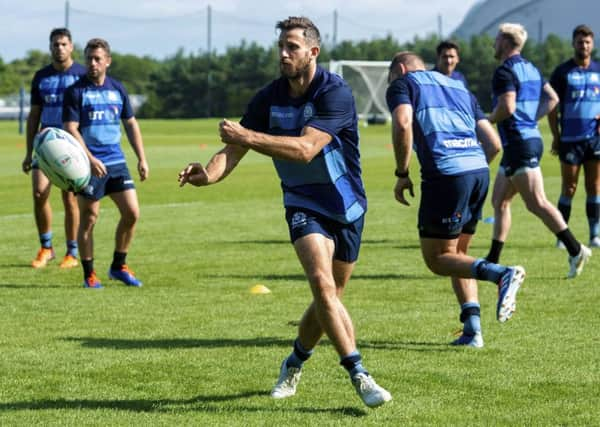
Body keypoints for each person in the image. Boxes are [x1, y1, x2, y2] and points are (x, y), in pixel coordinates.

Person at [178, 16, 391, 408]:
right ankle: (359, 374)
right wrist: (207, 174)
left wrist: (247, 136)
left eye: (292, 46)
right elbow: (233, 150)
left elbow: (305, 149)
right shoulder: (268, 97)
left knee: (331, 297)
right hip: (302, 202)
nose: (283, 53)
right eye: (281, 46)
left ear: (313, 51)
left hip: (346, 206)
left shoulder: (335, 93)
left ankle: (294, 361)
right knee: (322, 286)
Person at [386, 51, 525, 348]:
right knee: (459, 255)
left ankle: (502, 274)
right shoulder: (458, 87)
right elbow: (493, 143)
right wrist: (470, 169)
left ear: (400, 69)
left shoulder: (404, 83)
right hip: (477, 171)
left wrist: (402, 172)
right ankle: (473, 331)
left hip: (446, 175)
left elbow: (402, 122)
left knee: (437, 260)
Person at [484, 23, 591, 278]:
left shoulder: (504, 71)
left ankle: (576, 249)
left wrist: (487, 121)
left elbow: (507, 107)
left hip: (520, 143)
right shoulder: (530, 68)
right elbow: (552, 99)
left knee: (537, 203)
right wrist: (531, 117)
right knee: (500, 200)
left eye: (497, 39)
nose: (493, 44)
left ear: (507, 42)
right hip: (520, 143)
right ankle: (492, 259)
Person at [62, 38, 149, 289]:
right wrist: (90, 159)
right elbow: (71, 129)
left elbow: (131, 124)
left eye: (97, 58)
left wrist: (141, 158)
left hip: (117, 162)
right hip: (87, 164)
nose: (92, 63)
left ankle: (118, 266)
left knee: (132, 213)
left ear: (107, 61)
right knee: (89, 218)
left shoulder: (117, 89)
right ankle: (89, 273)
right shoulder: (76, 91)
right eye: (88, 57)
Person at [22, 28, 86, 269]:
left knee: (69, 198)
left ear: (71, 47)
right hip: (45, 145)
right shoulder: (41, 77)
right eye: (55, 44)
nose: (59, 48)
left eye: (63, 44)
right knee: (39, 194)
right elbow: (34, 115)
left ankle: (72, 251)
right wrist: (29, 152)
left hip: (71, 146)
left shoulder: (81, 75)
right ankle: (46, 248)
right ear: (50, 47)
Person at [548, 25, 600, 249]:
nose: (584, 45)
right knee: (568, 187)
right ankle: (562, 236)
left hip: (595, 138)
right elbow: (551, 105)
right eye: (580, 42)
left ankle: (595, 235)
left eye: (587, 42)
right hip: (570, 139)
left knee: (594, 186)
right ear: (573, 44)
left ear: (592, 45)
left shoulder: (599, 70)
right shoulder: (562, 72)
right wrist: (556, 135)